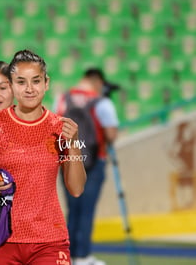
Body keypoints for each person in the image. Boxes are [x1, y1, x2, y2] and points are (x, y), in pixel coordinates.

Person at [0, 50, 86, 264]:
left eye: (36, 81)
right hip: (0, 240)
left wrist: (74, 143)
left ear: (46, 83)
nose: (30, 89)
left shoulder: (62, 128)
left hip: (50, 240)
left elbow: (76, 189)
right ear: (12, 85)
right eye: (21, 82)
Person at [56, 68, 119, 265]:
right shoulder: (102, 102)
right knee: (87, 209)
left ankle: (69, 256)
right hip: (94, 161)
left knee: (72, 209)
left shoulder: (63, 98)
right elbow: (110, 135)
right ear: (99, 82)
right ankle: (83, 256)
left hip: (67, 160)